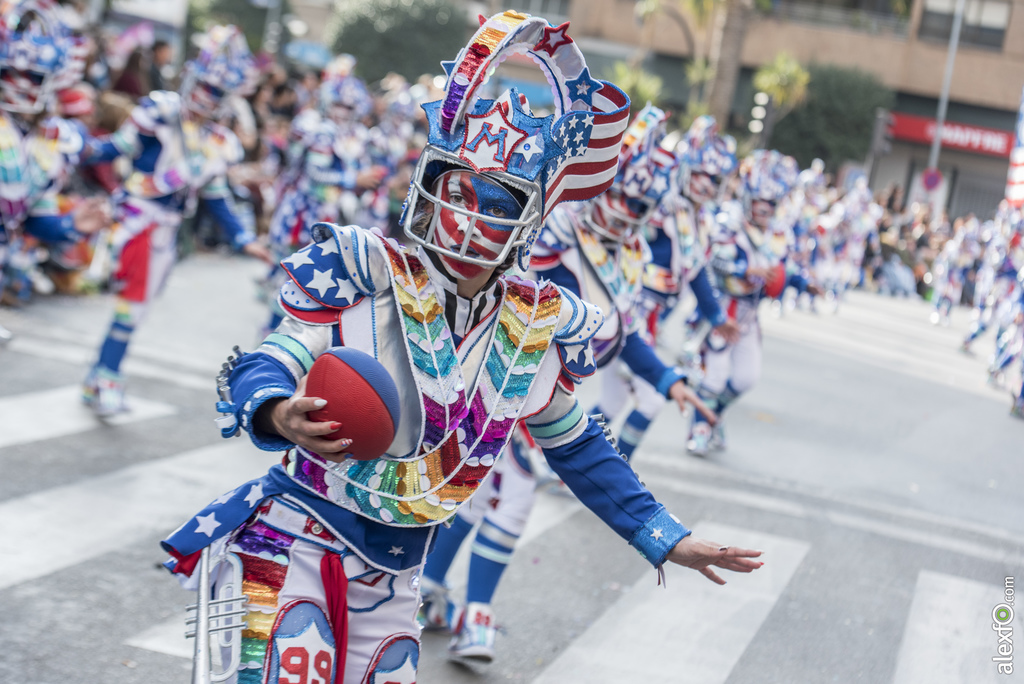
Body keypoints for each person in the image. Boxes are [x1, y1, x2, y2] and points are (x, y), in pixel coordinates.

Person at [161, 12, 762, 683]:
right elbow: (272, 358)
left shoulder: (535, 322)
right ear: (431, 183)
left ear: (528, 216)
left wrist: (662, 534)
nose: (471, 213)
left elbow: (577, 445)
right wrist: (275, 411)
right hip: (290, 538)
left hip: (393, 579)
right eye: (459, 189)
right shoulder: (366, 267)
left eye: (497, 200)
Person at [81, 25, 271, 417]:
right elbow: (117, 147)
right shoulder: (160, 111)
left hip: (168, 230)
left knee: (139, 309)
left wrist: (243, 237)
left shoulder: (218, 141)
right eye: (205, 86)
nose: (207, 98)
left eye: (218, 93)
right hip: (138, 221)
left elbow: (215, 195)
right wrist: (74, 146)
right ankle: (106, 379)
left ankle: (97, 377)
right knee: (130, 308)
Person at [0, 0, 108, 344]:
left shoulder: (45, 140)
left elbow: (31, 215)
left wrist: (72, 225)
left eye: (36, 77)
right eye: (17, 74)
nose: (26, 84)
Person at [687, 149, 799, 456]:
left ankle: (715, 416)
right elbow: (712, 262)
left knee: (747, 377)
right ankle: (699, 428)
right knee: (715, 374)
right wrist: (743, 269)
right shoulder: (729, 222)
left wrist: (800, 282)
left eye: (770, 204)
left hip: (751, 313)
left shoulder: (778, 233)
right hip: (725, 305)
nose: (764, 209)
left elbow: (783, 271)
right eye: (759, 202)